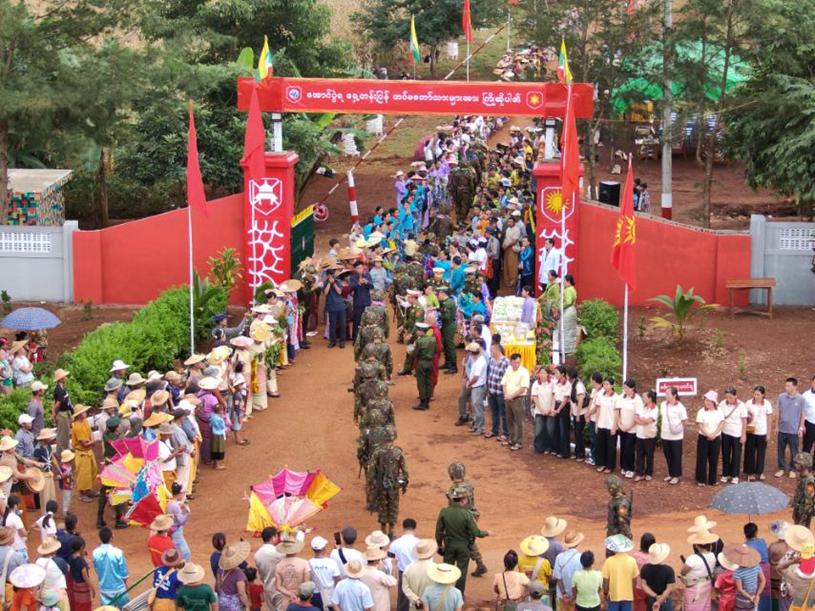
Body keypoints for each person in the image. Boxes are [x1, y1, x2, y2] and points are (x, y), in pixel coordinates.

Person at [435, 487, 493, 594]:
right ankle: (459, 595)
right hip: (464, 547)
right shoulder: (467, 514)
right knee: (461, 571)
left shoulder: (444, 512)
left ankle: (442, 594)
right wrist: (487, 533)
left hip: (449, 546)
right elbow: (476, 532)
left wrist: (439, 545)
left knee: (446, 570)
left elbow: (439, 531)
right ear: (463, 500)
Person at [680, 524, 718, 611]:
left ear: (696, 545)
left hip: (694, 588)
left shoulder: (692, 558)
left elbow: (683, 572)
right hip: (706, 586)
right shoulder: (712, 556)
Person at [775, 378, 806, 479]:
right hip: (782, 429)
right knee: (780, 450)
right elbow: (779, 412)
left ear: (795, 387)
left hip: (793, 430)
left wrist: (801, 428)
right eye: (785, 386)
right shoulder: (781, 397)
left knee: (794, 451)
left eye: (789, 386)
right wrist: (776, 426)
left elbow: (803, 414)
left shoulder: (801, 399)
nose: (786, 388)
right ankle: (781, 468)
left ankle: (793, 469)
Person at [92, 526, 130, 608]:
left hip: (104, 590)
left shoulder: (95, 553)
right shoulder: (118, 552)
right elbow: (124, 574)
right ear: (111, 537)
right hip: (119, 589)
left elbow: (97, 570)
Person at [696, 390, 725, 487]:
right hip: (703, 437)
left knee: (714, 458)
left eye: (709, 401)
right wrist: (708, 434)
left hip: (715, 438)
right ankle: (701, 479)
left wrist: (714, 434)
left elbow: (721, 423)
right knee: (702, 458)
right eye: (705, 400)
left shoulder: (719, 411)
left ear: (714, 402)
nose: (706, 402)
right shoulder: (701, 412)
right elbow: (700, 425)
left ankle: (712, 480)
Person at [70, 404, 98, 503]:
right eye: (83, 412)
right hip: (82, 452)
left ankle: (88, 490)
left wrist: (92, 440)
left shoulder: (85, 421)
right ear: (79, 415)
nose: (85, 413)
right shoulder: (77, 426)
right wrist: (92, 442)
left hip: (88, 451)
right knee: (82, 474)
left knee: (93, 470)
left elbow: (90, 432)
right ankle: (82, 494)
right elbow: (84, 443)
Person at [602, 535, 639, 611]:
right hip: (627, 596)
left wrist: (605, 593)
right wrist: (631, 592)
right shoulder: (632, 561)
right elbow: (635, 580)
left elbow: (606, 581)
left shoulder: (609, 561)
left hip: (613, 596)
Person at [660, 387, 688, 485]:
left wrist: (678, 428)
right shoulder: (663, 405)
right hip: (665, 435)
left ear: (674, 395)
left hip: (676, 437)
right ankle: (671, 473)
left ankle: (676, 475)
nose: (666, 396)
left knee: (676, 456)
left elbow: (685, 421)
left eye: (668, 394)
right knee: (668, 455)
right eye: (666, 394)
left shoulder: (680, 407)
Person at [502, 353, 530, 452]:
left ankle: (519, 442)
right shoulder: (508, 369)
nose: (516, 364)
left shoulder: (524, 372)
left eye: (518, 362)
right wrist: (506, 395)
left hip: (518, 399)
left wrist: (511, 396)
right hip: (508, 399)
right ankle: (512, 439)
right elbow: (504, 383)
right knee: (509, 419)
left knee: (518, 421)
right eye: (514, 362)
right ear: (510, 362)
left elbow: (522, 389)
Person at [389, 520, 419, 611]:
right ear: (415, 528)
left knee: (403, 596)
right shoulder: (419, 543)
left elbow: (390, 558)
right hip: (417, 573)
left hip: (403, 573)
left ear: (403, 527)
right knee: (417, 595)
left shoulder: (395, 543)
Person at [745, 386, 773, 482]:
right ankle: (749, 473)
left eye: (758, 394)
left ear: (763, 395)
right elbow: (744, 417)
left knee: (761, 452)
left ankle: (760, 472)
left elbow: (769, 420)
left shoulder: (767, 404)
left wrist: (768, 433)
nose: (756, 396)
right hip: (751, 431)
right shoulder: (748, 403)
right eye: (755, 394)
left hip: (762, 431)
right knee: (750, 452)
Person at [720, 388, 748, 485]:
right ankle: (725, 473)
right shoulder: (722, 404)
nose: (728, 399)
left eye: (730, 397)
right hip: (725, 432)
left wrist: (743, 435)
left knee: (736, 454)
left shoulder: (741, 406)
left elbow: (744, 421)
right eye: (727, 397)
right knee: (725, 454)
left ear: (735, 396)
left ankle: (734, 475)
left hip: (737, 433)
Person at [616, 380, 642, 479]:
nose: (625, 390)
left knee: (629, 448)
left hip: (632, 429)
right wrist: (619, 424)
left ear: (632, 388)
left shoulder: (637, 399)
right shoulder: (621, 397)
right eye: (624, 387)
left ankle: (630, 468)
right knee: (623, 447)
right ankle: (623, 466)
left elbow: (637, 415)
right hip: (622, 428)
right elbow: (618, 412)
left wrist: (629, 427)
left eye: (627, 388)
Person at [254, 527, 284, 611]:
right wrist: (301, 533)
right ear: (273, 537)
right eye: (276, 536)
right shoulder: (277, 552)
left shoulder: (257, 554)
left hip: (267, 587)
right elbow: (292, 550)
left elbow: (261, 574)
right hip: (279, 588)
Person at [401, 539, 436, 611]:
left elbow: (405, 588)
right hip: (432, 606)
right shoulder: (436, 568)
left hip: (415, 607)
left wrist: (416, 599)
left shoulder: (408, 568)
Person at [553, 531, 585, 611]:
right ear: (577, 543)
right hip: (578, 596)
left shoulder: (559, 557)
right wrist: (574, 595)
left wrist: (564, 593)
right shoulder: (581, 557)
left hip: (562, 596)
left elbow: (558, 577)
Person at [594, 378, 619, 475]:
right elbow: (598, 410)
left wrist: (614, 426)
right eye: (604, 384)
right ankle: (601, 464)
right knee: (600, 445)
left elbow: (617, 414)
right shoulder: (601, 396)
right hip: (601, 424)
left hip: (610, 426)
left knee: (611, 447)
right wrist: (597, 424)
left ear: (612, 385)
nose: (605, 386)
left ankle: (610, 466)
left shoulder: (616, 397)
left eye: (607, 384)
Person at [275, 537, 311, 605]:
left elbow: (278, 586)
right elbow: (306, 584)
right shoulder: (304, 563)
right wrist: (299, 594)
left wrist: (290, 594)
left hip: (287, 599)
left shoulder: (279, 565)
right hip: (302, 600)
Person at [308, 536, 340, 611]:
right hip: (331, 594)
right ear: (324, 548)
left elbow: (309, 580)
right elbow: (338, 581)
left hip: (316, 595)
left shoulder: (309, 563)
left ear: (312, 549)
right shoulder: (332, 562)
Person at [640, 544, 675, 611]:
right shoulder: (669, 570)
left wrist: (656, 596)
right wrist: (660, 600)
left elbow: (644, 585)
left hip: (651, 600)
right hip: (665, 600)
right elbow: (669, 588)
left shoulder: (645, 568)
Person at [218, 540, 251, 611]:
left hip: (222, 602)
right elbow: (241, 593)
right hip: (234, 605)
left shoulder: (221, 570)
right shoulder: (239, 574)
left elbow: (218, 586)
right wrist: (247, 606)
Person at [360, 547, 397, 611]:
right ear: (377, 560)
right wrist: (393, 565)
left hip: (366, 606)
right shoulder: (380, 575)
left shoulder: (361, 571)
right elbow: (394, 581)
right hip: (379, 607)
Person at [634, 391, 659, 482]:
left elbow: (649, 421)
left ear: (650, 398)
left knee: (649, 455)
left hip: (649, 436)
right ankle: (639, 473)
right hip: (640, 435)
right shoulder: (641, 406)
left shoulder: (655, 408)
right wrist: (643, 421)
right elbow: (635, 418)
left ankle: (649, 473)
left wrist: (641, 420)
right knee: (639, 455)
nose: (643, 398)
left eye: (644, 397)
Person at [487, 345, 510, 442]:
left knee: (504, 414)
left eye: (491, 351)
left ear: (497, 351)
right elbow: (489, 374)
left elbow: (508, 378)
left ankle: (506, 433)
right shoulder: (491, 360)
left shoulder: (506, 362)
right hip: (492, 391)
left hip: (500, 392)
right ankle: (494, 430)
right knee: (494, 412)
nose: (490, 353)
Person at [411, 323, 437, 412]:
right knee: (428, 382)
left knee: (421, 383)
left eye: (418, 331)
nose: (416, 332)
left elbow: (414, 354)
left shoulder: (419, 342)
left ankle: (423, 403)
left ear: (422, 331)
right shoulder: (433, 339)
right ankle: (427, 401)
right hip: (430, 363)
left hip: (421, 363)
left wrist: (411, 350)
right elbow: (435, 351)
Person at [68, 536, 96, 611]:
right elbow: (85, 577)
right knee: (85, 606)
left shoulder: (70, 557)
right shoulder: (81, 561)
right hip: (83, 587)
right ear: (81, 547)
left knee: (79, 605)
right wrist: (92, 588)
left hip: (75, 585)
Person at [531, 367, 554, 454]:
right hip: (539, 411)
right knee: (538, 430)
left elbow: (554, 396)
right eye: (541, 373)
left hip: (550, 411)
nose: (542, 375)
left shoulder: (552, 383)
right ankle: (538, 447)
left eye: (544, 373)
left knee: (550, 430)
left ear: (548, 374)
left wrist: (550, 409)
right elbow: (535, 398)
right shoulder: (536, 384)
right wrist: (541, 409)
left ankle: (548, 447)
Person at [324, 270, 348, 349]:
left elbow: (339, 292)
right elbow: (325, 292)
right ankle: (332, 341)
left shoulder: (338, 281)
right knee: (332, 325)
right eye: (330, 275)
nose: (331, 277)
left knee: (342, 324)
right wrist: (329, 283)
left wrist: (334, 283)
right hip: (331, 306)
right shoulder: (325, 282)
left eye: (332, 275)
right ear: (327, 275)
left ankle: (342, 341)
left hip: (340, 306)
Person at [3, 495, 27, 562]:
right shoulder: (16, 518)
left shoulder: (7, 517)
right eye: (19, 504)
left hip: (11, 547)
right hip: (19, 546)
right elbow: (24, 533)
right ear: (15, 506)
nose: (20, 505)